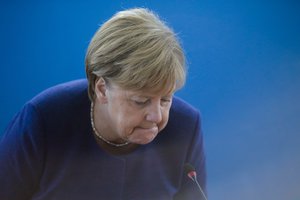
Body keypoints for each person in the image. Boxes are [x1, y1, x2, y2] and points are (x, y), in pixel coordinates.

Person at [0, 8, 207, 200]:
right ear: (101, 89)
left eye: (165, 100)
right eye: (141, 101)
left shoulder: (186, 127)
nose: (157, 116)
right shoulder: (42, 121)